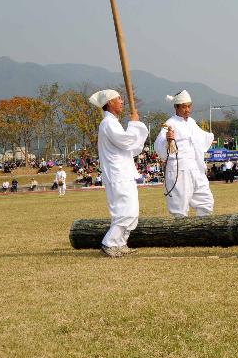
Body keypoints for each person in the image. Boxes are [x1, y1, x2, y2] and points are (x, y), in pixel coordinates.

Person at [90, 89, 149, 258]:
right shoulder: (108, 123)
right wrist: (134, 124)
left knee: (132, 212)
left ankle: (121, 242)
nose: (122, 101)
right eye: (118, 99)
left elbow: (131, 147)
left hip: (124, 173)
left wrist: (134, 126)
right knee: (126, 211)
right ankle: (109, 243)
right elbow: (126, 141)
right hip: (117, 174)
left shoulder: (113, 123)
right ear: (109, 103)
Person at [153, 89, 215, 218]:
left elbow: (201, 136)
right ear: (176, 107)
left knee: (205, 203)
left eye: (189, 106)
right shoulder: (170, 124)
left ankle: (203, 234)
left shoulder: (191, 122)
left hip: (196, 169)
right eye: (184, 107)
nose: (187, 110)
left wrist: (210, 138)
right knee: (179, 209)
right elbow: (158, 146)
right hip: (179, 171)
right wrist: (167, 139)